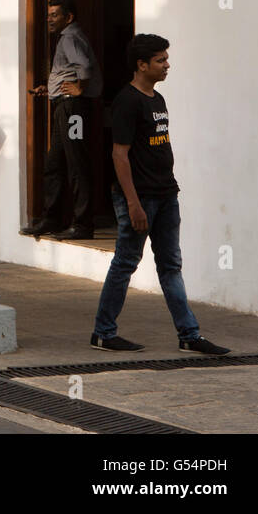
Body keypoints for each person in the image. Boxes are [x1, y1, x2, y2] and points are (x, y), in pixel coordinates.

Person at [89, 34, 229, 355]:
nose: (167, 66)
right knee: (126, 263)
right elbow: (119, 155)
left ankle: (189, 335)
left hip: (166, 195)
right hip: (141, 199)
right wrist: (133, 204)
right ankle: (103, 332)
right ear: (141, 65)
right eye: (160, 61)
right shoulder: (127, 101)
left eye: (166, 59)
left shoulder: (157, 99)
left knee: (170, 266)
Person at [23, 0, 102, 239]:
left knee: (76, 161)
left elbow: (85, 66)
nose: (49, 18)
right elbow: (71, 70)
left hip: (73, 108)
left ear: (68, 17)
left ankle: (83, 224)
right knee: (54, 164)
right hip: (64, 106)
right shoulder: (67, 38)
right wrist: (53, 89)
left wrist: (79, 88)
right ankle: (52, 219)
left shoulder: (70, 37)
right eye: (48, 15)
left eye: (55, 14)